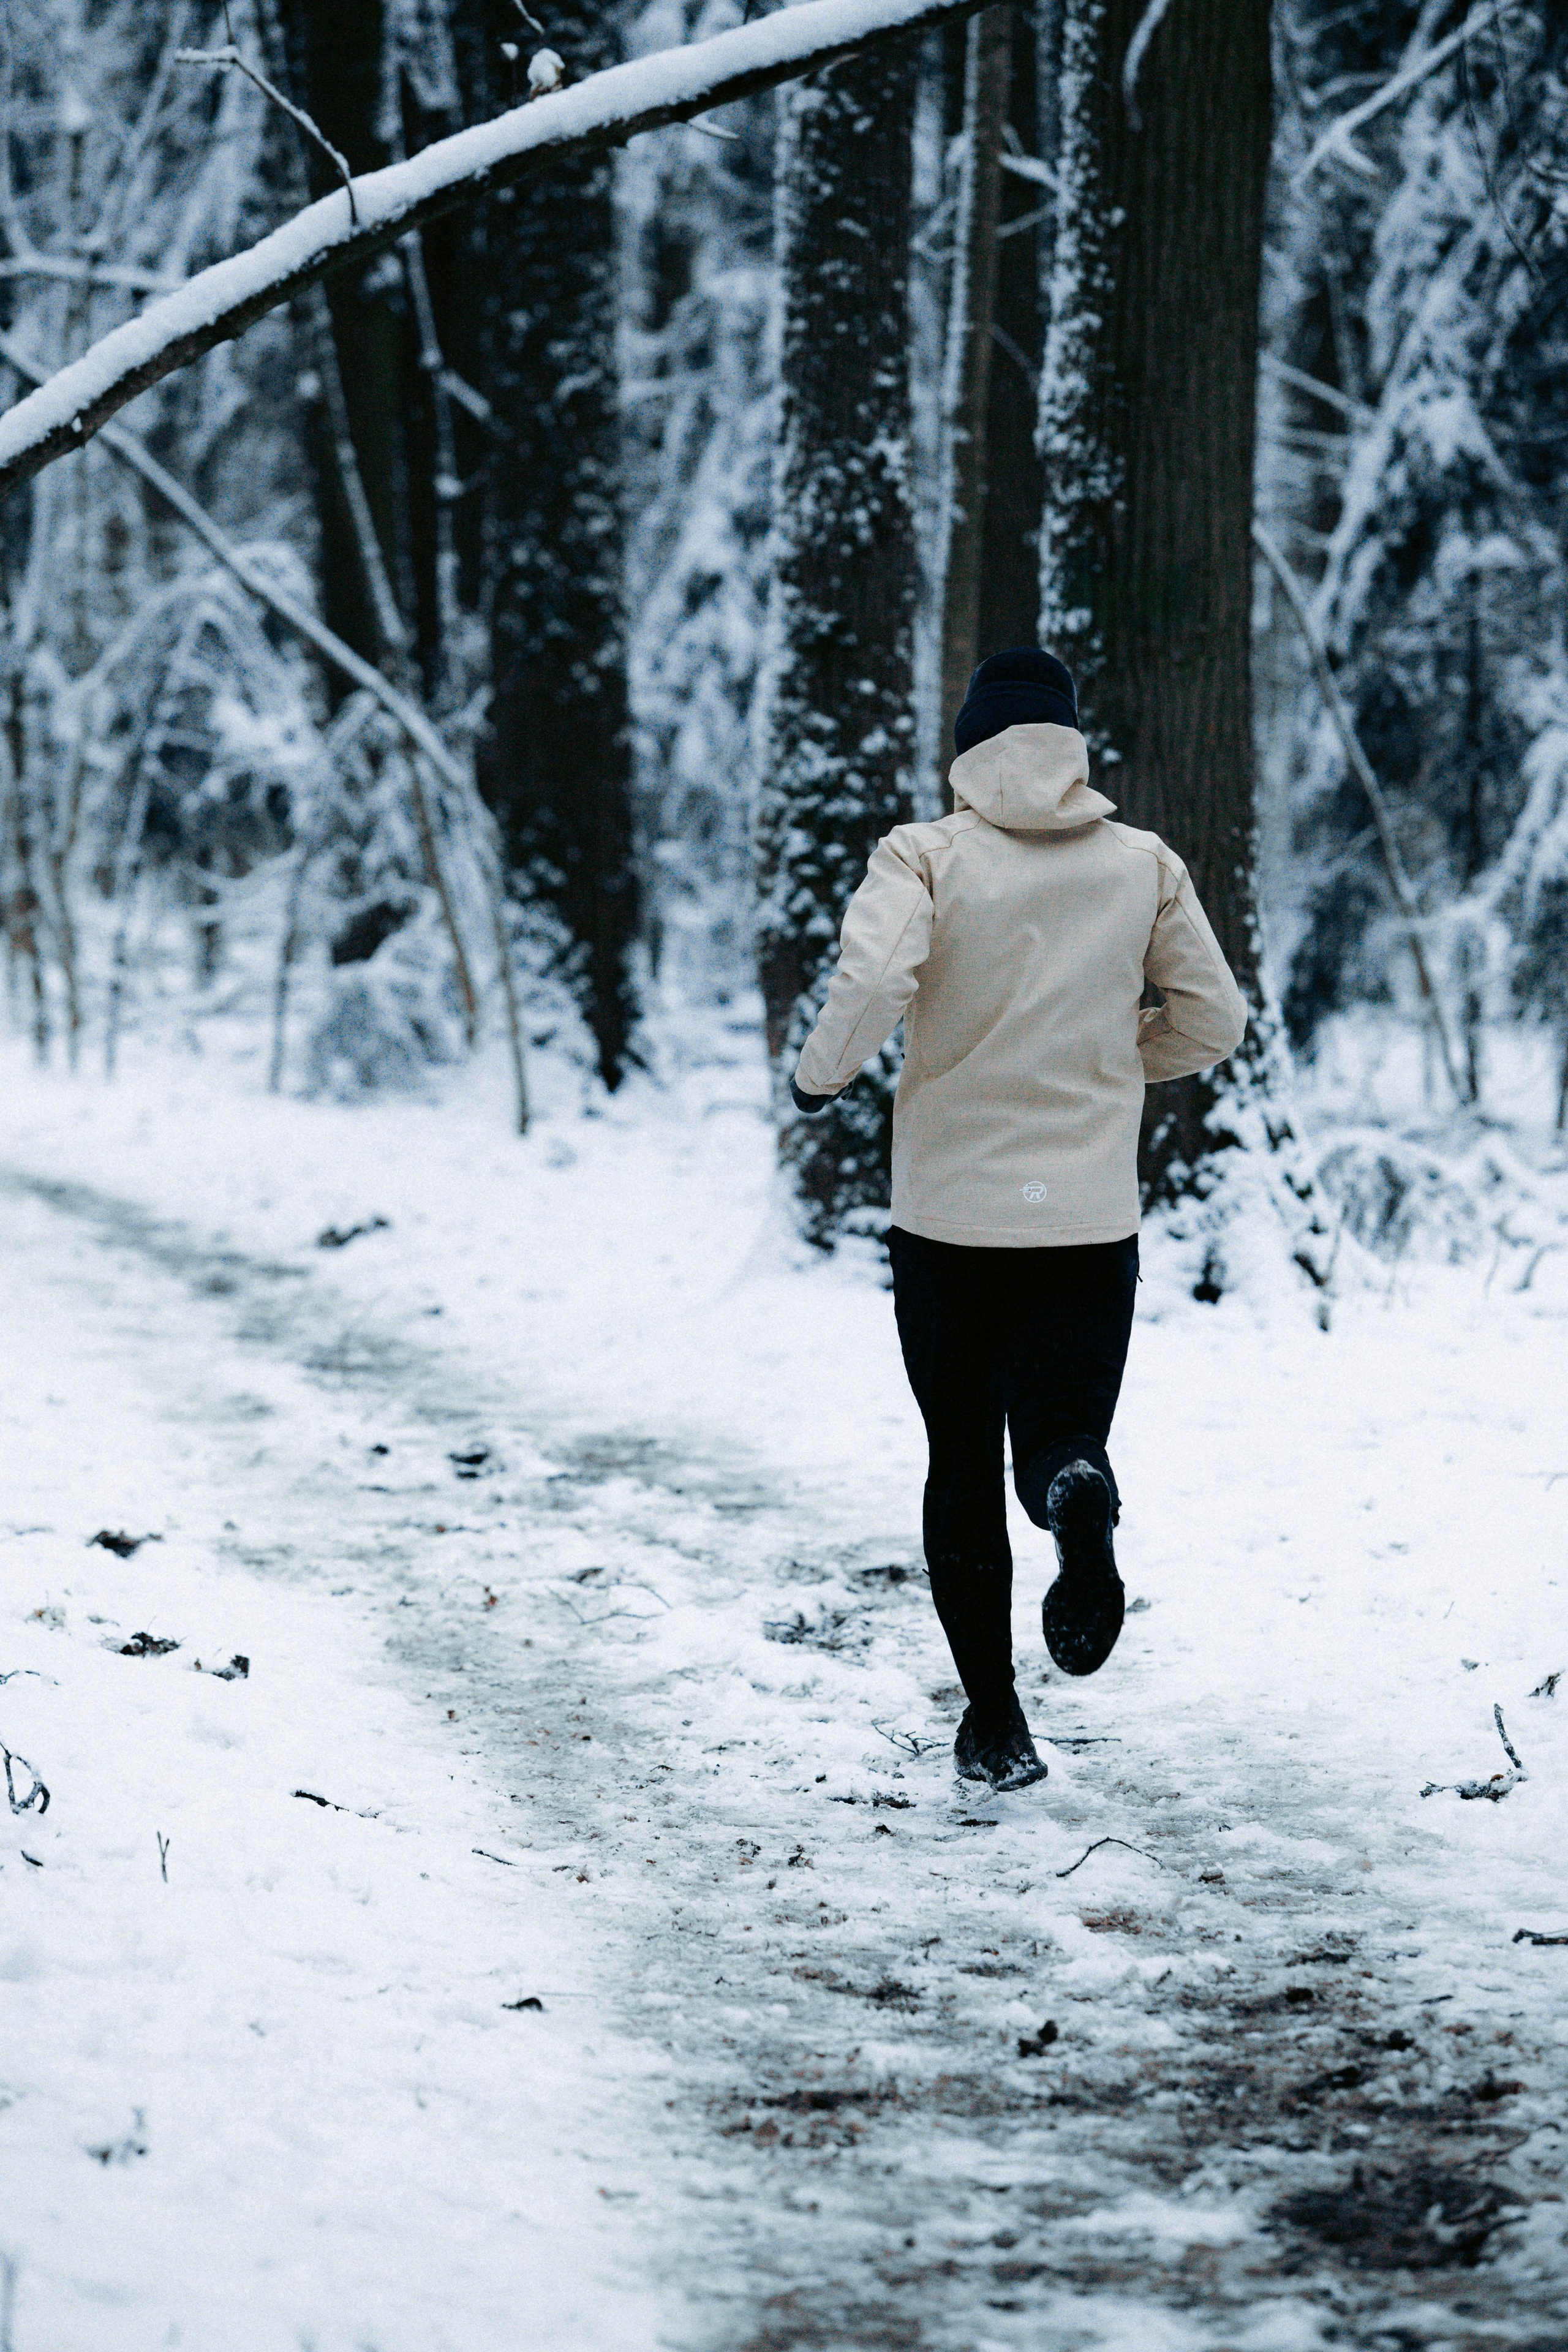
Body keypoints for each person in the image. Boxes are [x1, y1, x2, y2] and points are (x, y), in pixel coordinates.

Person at [790, 647, 1248, 1791]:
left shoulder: (926, 855)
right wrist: (1112, 1058)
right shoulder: (1143, 864)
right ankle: (1074, 1495)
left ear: (970, 749)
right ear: (1069, 744)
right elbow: (1217, 1019)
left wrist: (820, 1078)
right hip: (1089, 1223)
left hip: (949, 1222)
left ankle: (994, 1721)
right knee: (1056, 1432)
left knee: (956, 1458)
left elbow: (875, 978)